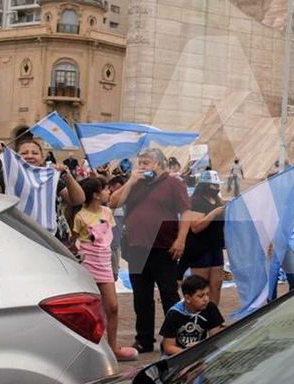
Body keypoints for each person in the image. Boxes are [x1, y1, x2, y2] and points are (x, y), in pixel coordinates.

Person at [110, 148, 194, 353]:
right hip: (136, 248)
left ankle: (175, 337)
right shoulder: (136, 183)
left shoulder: (173, 183)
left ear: (158, 163)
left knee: (168, 295)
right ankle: (144, 339)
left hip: (163, 248)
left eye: (145, 162)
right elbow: (113, 202)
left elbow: (186, 211)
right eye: (140, 162)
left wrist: (181, 240)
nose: (141, 166)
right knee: (141, 297)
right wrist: (130, 181)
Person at [72, 177, 138, 362]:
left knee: (113, 306)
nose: (108, 192)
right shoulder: (80, 216)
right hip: (88, 264)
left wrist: (113, 262)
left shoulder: (108, 212)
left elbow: (112, 241)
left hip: (105, 263)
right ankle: (91, 348)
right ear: (95, 194)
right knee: (91, 309)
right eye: (105, 189)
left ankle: (113, 347)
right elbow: (75, 240)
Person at [0, 132, 85, 209]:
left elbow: (78, 200)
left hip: (46, 234)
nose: (30, 156)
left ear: (42, 159)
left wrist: (67, 176)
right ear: (16, 157)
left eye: (35, 153)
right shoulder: (7, 178)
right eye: (24, 153)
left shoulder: (49, 178)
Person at [185, 170, 227, 307]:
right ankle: (199, 314)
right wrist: (214, 213)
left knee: (216, 284)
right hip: (200, 249)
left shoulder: (217, 201)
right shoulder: (195, 202)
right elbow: (195, 227)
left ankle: (213, 314)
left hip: (216, 247)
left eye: (218, 185)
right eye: (214, 185)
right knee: (200, 286)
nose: (217, 188)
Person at [160, 274, 225, 356]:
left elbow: (215, 339)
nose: (206, 299)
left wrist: (200, 349)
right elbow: (168, 347)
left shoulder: (210, 307)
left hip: (200, 350)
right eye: (200, 296)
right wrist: (189, 353)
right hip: (177, 354)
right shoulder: (174, 313)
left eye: (207, 294)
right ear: (187, 298)